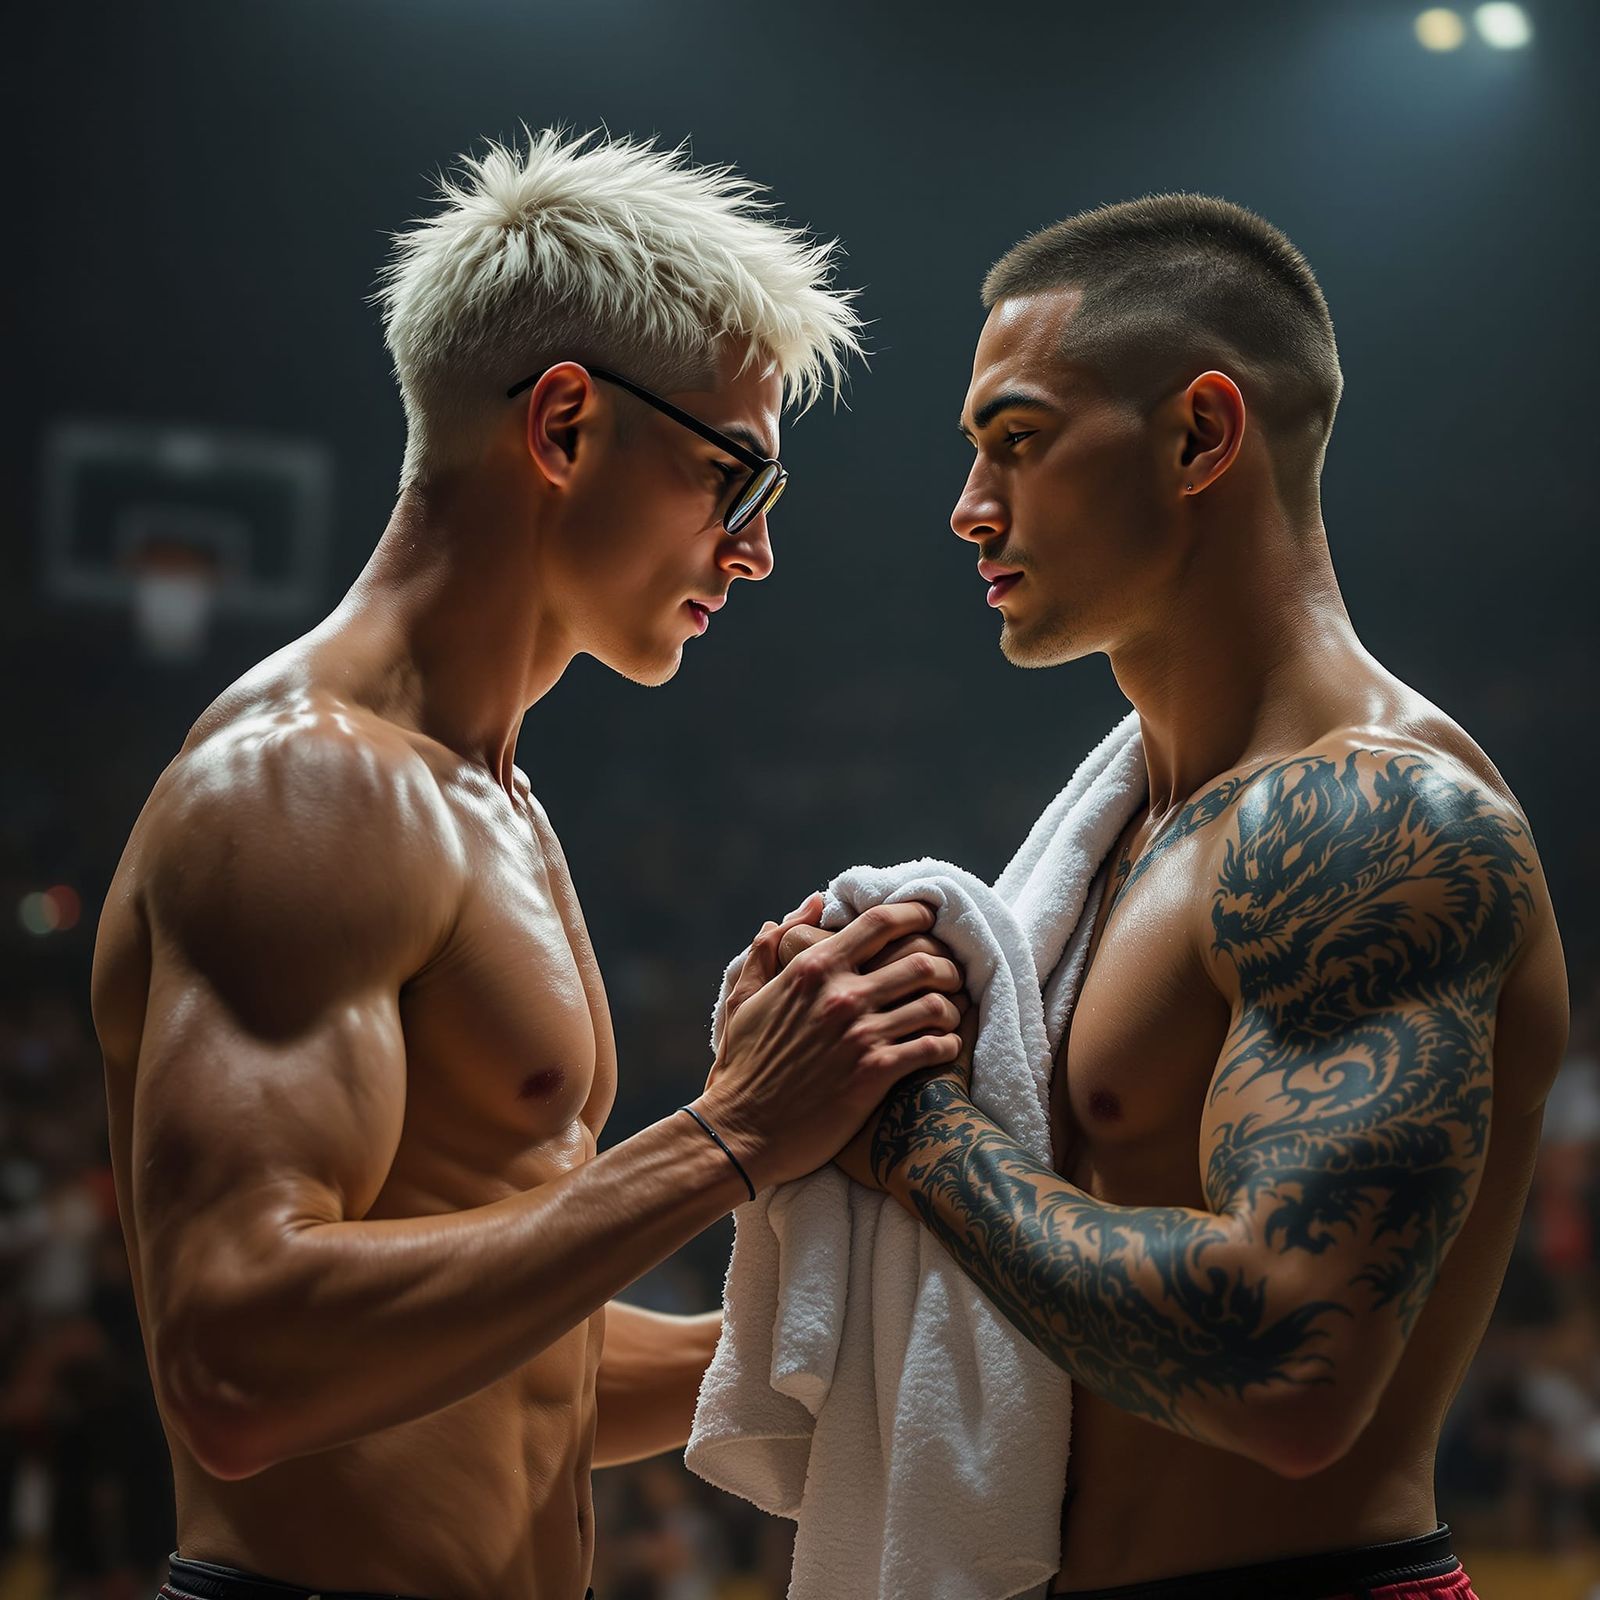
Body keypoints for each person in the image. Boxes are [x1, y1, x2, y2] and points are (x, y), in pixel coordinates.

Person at [88, 128, 969, 1600]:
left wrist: (843, 1357)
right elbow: (235, 1362)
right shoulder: (305, 785)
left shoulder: (495, 801)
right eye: (732, 477)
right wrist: (733, 1136)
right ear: (565, 424)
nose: (751, 550)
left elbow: (508, 1370)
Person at [781, 194, 1569, 1600]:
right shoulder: (1136, 829)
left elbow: (1289, 1370)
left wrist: (916, 1136)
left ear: (1203, 434)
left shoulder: (1370, 819)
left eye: (1016, 442)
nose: (970, 509)